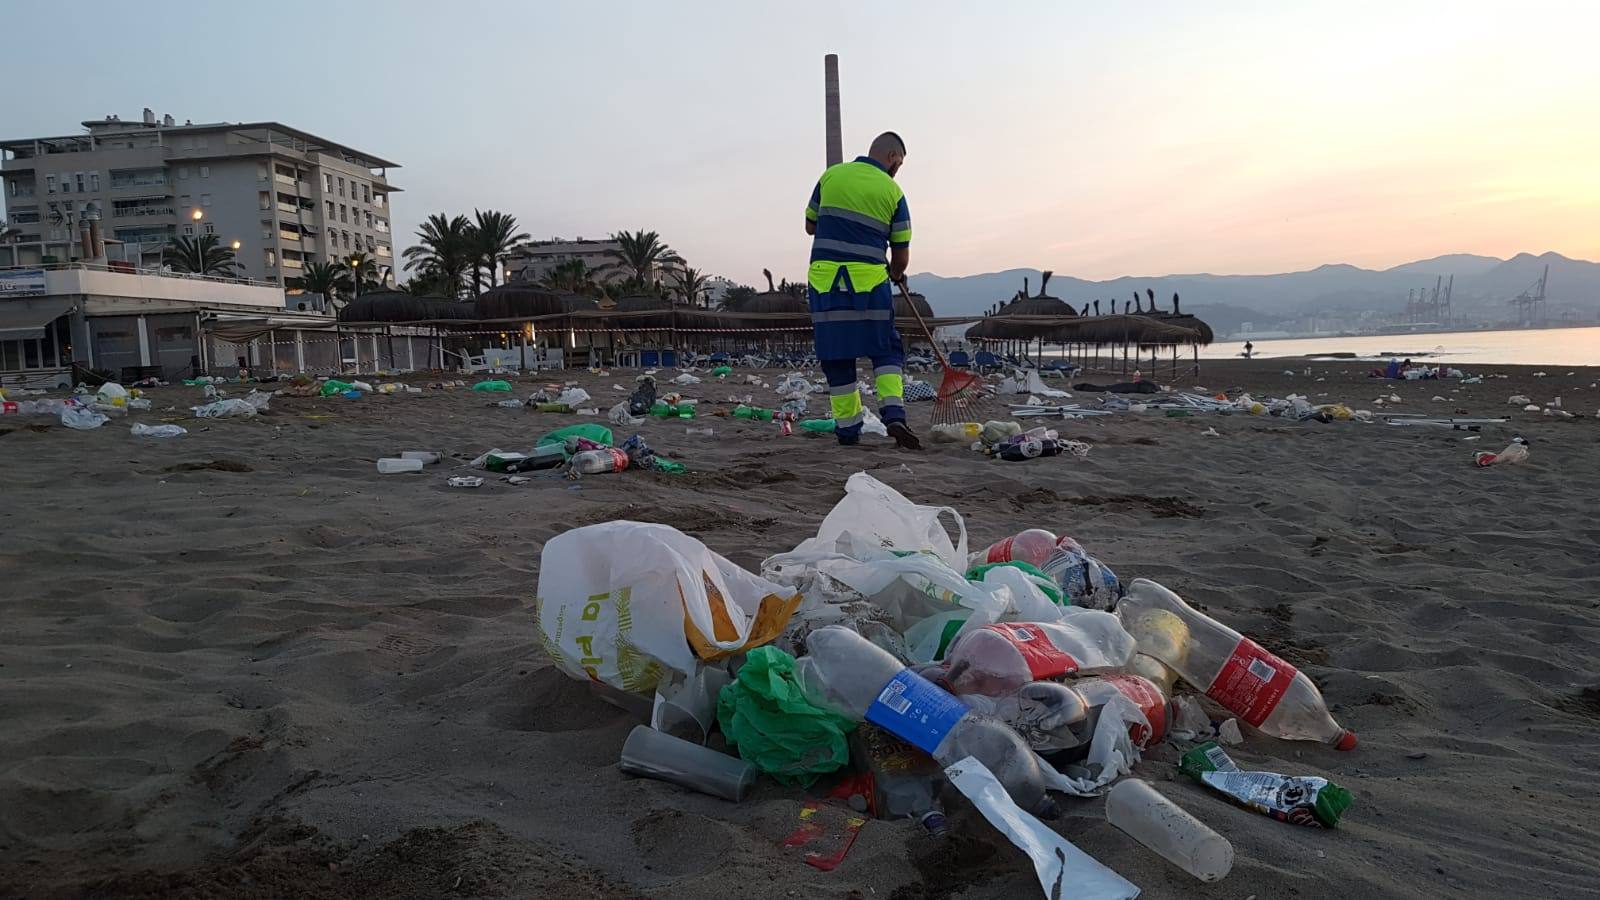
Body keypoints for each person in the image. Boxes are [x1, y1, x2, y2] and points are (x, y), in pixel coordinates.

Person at [804, 132, 920, 448]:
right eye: (900, 163)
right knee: (886, 349)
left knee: (837, 358)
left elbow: (810, 225)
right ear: (894, 157)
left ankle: (848, 431)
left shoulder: (831, 176)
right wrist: (897, 274)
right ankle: (894, 414)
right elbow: (901, 252)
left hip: (825, 282)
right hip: (868, 283)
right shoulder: (893, 192)